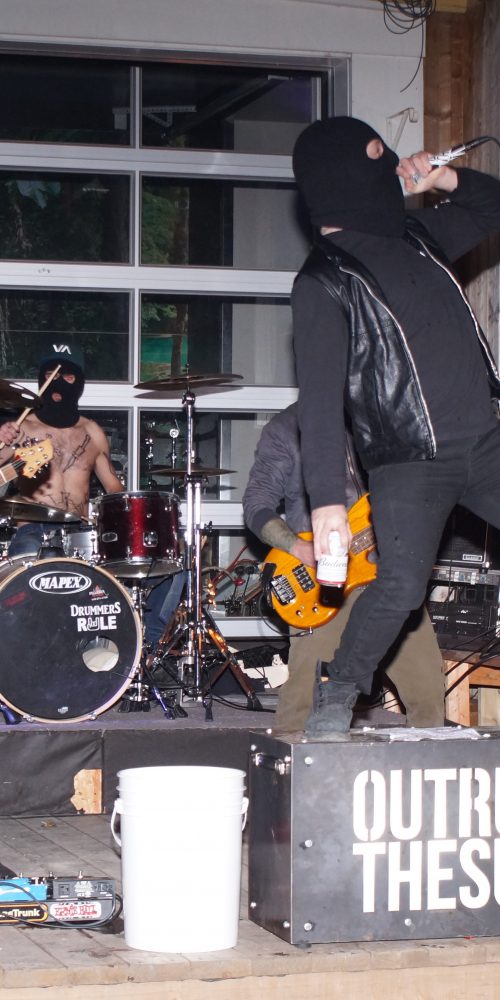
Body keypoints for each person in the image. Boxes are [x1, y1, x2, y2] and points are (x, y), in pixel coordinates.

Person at [291, 115, 500, 734]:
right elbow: (318, 402)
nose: (392, 170)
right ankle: (338, 693)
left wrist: (445, 179)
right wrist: (327, 502)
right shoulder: (323, 279)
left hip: (486, 440)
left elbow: (492, 207)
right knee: (402, 587)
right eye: (378, 158)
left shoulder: (419, 236)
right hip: (411, 460)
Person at [243, 403, 445, 731]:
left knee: (428, 691)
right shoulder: (286, 428)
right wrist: (298, 547)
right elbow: (256, 505)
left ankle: (428, 760)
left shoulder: (385, 416)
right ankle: (290, 761)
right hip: (322, 582)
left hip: (390, 576)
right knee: (304, 700)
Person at [0, 343, 183, 648]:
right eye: (50, 374)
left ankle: (146, 647)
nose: (58, 383)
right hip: (32, 529)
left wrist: (132, 521)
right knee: (19, 588)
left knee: (170, 567)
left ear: (80, 382)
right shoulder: (22, 427)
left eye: (67, 376)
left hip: (78, 530)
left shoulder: (92, 432)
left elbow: (113, 487)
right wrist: (3, 440)